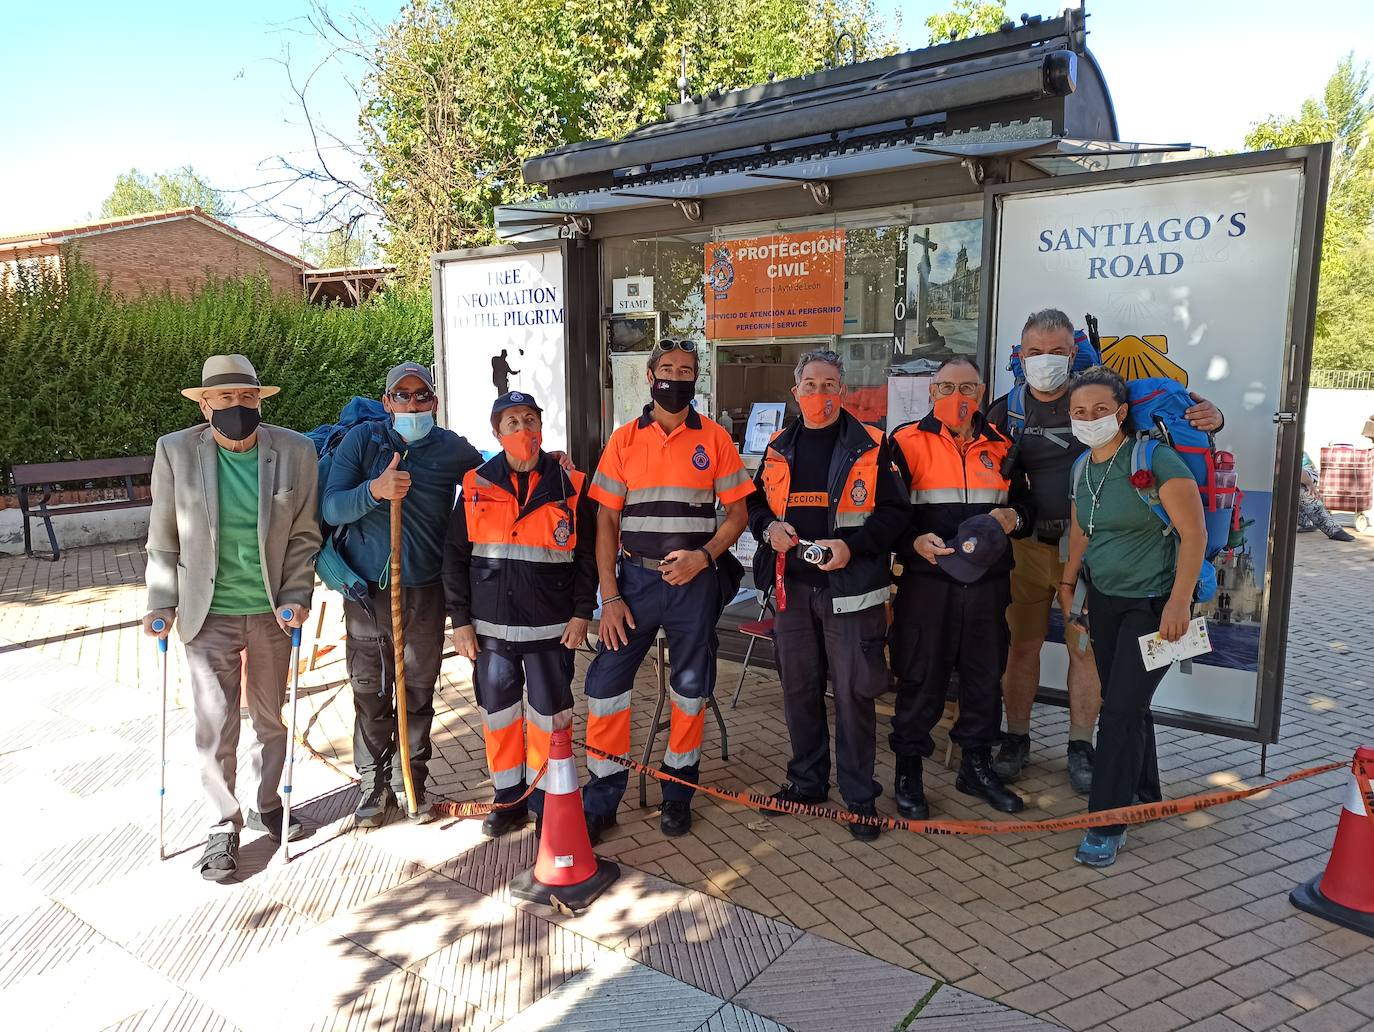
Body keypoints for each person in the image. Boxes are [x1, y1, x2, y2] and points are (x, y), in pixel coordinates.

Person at [988, 309, 1223, 793]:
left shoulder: (1106, 397)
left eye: (1056, 351)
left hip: (1095, 557)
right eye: (1034, 352)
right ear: (1020, 354)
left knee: (1086, 655)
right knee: (1022, 647)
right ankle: (1016, 739)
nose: (1045, 360)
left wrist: (1215, 418)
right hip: (1028, 550)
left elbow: (1181, 420)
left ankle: (1081, 746)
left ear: (1074, 352)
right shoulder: (1005, 409)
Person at [143, 355, 319, 881]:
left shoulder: (295, 451)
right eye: (225, 398)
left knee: (269, 719)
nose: (238, 407)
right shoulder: (175, 452)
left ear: (259, 400)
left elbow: (305, 536)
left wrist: (295, 593)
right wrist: (160, 602)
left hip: (270, 612)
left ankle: (270, 804)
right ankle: (222, 824)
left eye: (247, 398)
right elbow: (162, 536)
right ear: (204, 403)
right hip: (206, 612)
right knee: (216, 724)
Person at [583, 339, 752, 841]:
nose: (676, 377)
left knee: (691, 687)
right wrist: (609, 597)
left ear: (695, 379)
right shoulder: (623, 440)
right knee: (605, 685)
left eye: (686, 370)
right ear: (650, 376)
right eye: (667, 369)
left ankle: (678, 791)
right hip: (634, 582)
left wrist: (705, 556)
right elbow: (606, 521)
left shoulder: (716, 438)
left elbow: (739, 513)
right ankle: (602, 797)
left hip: (694, 583)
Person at [745, 350, 908, 840]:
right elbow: (754, 501)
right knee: (799, 692)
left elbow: (896, 516)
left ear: (843, 391)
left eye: (830, 384)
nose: (820, 393)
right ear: (795, 393)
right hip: (791, 589)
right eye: (811, 384)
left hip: (851, 593)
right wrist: (767, 527)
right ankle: (806, 783)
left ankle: (860, 798)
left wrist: (850, 547)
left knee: (856, 695)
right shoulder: (778, 446)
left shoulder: (875, 446)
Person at [321, 362, 483, 826]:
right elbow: (332, 508)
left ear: (433, 402)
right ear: (387, 401)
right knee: (369, 688)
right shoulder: (362, 442)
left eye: (421, 396)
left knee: (415, 688)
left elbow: (493, 479)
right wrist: (374, 490)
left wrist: (545, 461)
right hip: (366, 590)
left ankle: (408, 778)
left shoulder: (450, 448)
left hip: (425, 592)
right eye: (402, 396)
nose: (412, 404)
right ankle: (372, 784)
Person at [1058, 366, 1206, 866]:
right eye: (1080, 411)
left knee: (1118, 710)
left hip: (1156, 605)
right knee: (1130, 702)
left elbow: (1195, 535)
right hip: (1104, 601)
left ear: (1122, 412)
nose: (1089, 419)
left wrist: (1179, 604)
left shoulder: (1155, 460)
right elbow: (1083, 531)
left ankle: (1106, 822)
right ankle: (1145, 791)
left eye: (1101, 410)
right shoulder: (1083, 468)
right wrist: (1069, 586)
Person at [442, 392, 598, 838]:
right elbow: (454, 557)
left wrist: (582, 613)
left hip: (552, 629)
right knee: (500, 717)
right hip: (491, 633)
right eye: (512, 422)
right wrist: (461, 622)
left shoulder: (569, 485)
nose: (523, 429)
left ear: (542, 426)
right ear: (497, 432)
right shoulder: (476, 486)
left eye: (530, 419)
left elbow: (587, 556)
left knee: (550, 718)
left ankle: (550, 799)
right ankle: (509, 799)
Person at [888, 357, 1033, 816]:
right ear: (932, 392)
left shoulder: (1004, 445)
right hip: (929, 584)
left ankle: (976, 765)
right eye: (947, 387)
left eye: (967, 388)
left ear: (982, 392)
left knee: (984, 678)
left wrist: (1016, 517)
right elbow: (885, 514)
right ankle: (908, 771)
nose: (957, 397)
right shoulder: (903, 442)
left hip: (988, 586)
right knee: (922, 676)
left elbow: (1027, 509)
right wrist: (910, 540)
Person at [1297, 453, 1355, 541]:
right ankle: (1304, 523)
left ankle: (1331, 528)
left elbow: (1296, 471)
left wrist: (1310, 484)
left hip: (1305, 473)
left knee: (1303, 490)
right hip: (1297, 473)